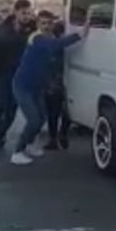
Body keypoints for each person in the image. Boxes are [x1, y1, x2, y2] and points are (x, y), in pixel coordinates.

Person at [11, 10, 86, 166]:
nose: (46, 26)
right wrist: (80, 34)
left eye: (49, 23)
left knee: (42, 117)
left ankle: (30, 146)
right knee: (33, 120)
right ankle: (17, 151)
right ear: (38, 24)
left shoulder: (50, 38)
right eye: (43, 23)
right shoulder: (37, 38)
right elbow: (55, 46)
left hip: (37, 87)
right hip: (23, 86)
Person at [0, 0, 34, 155]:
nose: (27, 16)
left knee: (11, 110)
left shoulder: (32, 29)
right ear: (16, 12)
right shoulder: (3, 30)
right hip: (3, 74)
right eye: (24, 13)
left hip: (20, 76)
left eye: (29, 13)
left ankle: (1, 135)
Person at [44, 20, 70, 150]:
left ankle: (55, 137)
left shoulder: (53, 44)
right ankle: (61, 135)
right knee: (64, 111)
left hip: (54, 84)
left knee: (54, 113)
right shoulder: (60, 45)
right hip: (60, 83)